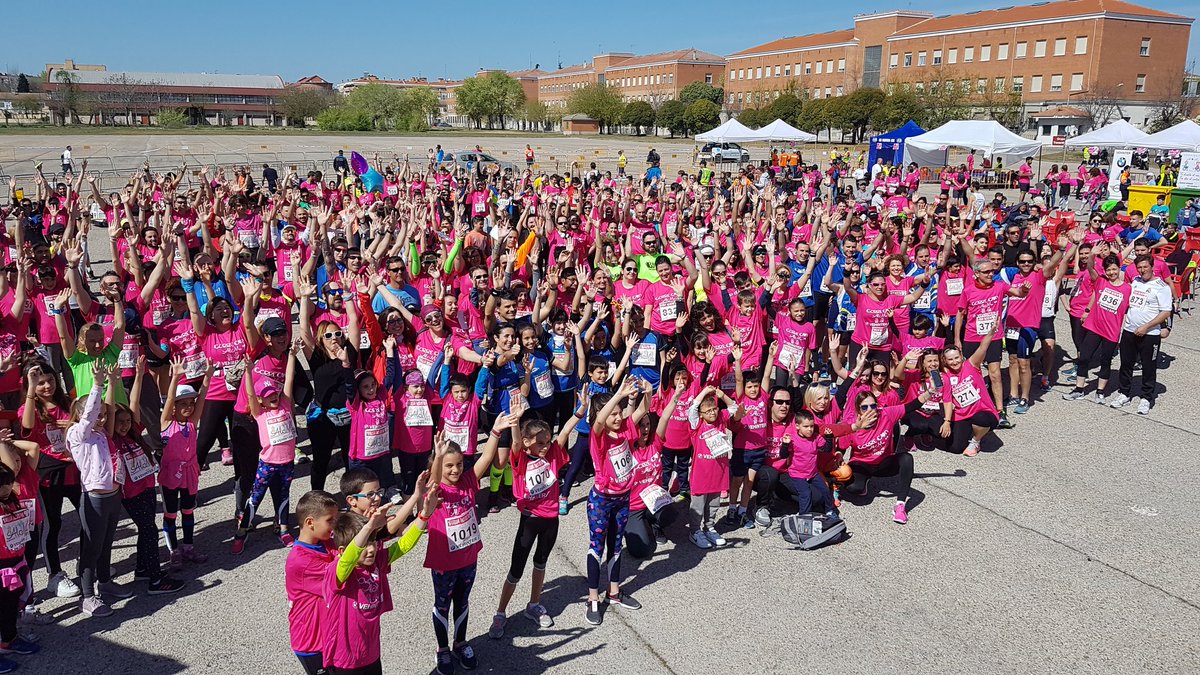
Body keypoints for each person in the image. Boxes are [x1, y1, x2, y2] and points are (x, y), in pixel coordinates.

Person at [323, 488, 435, 674]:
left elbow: (403, 546)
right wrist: (368, 527)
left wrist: (424, 515)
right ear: (342, 550)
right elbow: (349, 557)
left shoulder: (376, 563)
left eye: (373, 542)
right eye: (365, 545)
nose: (371, 549)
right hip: (345, 660)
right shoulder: (338, 572)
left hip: (371, 653)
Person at [65, 362, 132, 617]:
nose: (102, 418)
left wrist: (113, 384)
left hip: (113, 495)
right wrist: (97, 385)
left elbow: (107, 413)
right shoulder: (77, 434)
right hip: (94, 498)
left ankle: (105, 583)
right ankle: (88, 596)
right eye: (97, 415)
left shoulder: (102, 433)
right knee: (91, 548)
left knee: (106, 544)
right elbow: (89, 415)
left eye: (104, 415)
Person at [1109, 255, 1172, 415]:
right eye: (1140, 268)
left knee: (1148, 366)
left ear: (1152, 267)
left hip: (1150, 334)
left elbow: (1165, 312)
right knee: (1126, 364)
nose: (1142, 270)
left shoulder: (1161, 287)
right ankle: (1124, 393)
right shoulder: (1135, 282)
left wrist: (1147, 327)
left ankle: (1146, 397)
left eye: (1145, 267)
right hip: (1130, 330)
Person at [286, 490, 338, 675]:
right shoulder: (302, 561)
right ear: (310, 522)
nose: (335, 525)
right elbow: (340, 576)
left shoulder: (324, 541)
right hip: (313, 642)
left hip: (328, 635)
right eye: (330, 520)